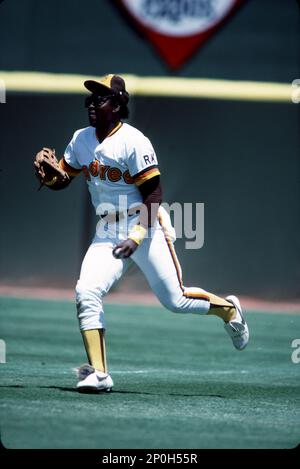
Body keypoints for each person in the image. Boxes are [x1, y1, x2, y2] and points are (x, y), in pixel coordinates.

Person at [35, 74, 249, 393]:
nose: (92, 103)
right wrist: (52, 178)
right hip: (107, 230)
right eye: (90, 99)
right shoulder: (81, 139)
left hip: (144, 226)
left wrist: (136, 236)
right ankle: (99, 373)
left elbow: (153, 195)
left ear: (119, 104)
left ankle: (229, 309)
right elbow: (64, 177)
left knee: (175, 300)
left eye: (101, 98)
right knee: (86, 291)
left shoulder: (134, 141)